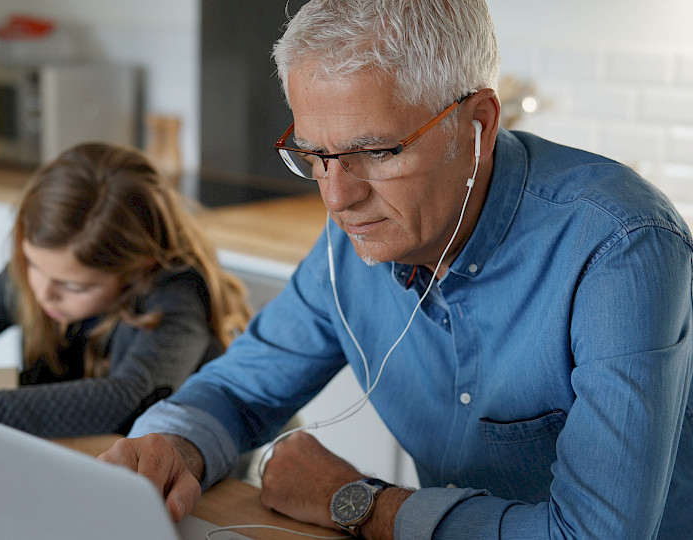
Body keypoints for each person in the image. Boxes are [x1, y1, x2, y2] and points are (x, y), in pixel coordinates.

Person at [98, 1, 693, 539]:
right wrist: (172, 446)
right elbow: (236, 390)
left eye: (377, 152)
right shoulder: (357, 236)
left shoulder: (621, 247)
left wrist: (355, 502)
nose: (337, 198)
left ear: (479, 123)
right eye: (316, 155)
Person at [0, 142, 251, 458]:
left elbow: (124, 397)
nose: (43, 292)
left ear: (138, 268)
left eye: (75, 287)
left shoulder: (178, 295)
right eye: (34, 267)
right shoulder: (46, 272)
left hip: (206, 481)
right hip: (76, 459)